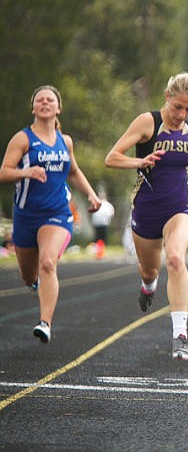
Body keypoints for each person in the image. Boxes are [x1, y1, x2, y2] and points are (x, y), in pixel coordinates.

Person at [104, 72, 188, 361]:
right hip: (148, 209)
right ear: (167, 97)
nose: (182, 115)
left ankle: (180, 334)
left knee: (176, 257)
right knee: (149, 270)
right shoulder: (147, 122)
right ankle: (148, 286)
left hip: (182, 206)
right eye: (178, 107)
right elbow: (112, 157)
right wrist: (138, 161)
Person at [0, 85, 101, 343]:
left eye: (50, 100)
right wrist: (26, 172)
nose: (45, 103)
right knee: (28, 275)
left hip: (57, 213)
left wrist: (90, 194)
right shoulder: (22, 139)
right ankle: (37, 285)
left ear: (58, 107)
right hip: (26, 215)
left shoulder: (65, 141)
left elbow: (74, 172)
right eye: (40, 100)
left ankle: (45, 323)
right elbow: (4, 172)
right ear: (33, 107)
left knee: (48, 262)